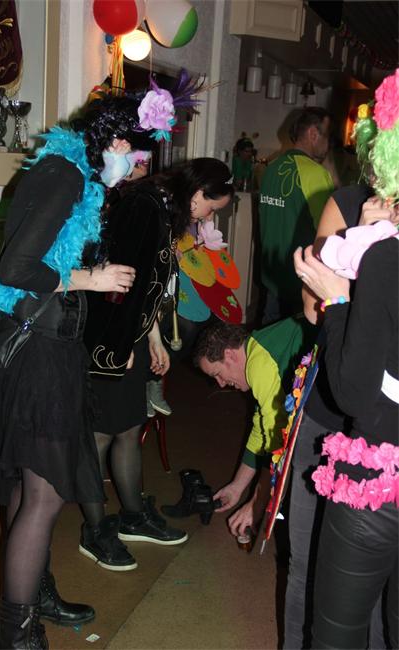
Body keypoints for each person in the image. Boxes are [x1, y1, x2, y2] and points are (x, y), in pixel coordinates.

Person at [0, 91, 160, 648]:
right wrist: (90, 279)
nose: (137, 166)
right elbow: (17, 266)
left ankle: (33, 593)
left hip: (45, 349)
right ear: (115, 140)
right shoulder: (66, 175)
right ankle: (17, 635)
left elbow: (45, 253)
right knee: (45, 494)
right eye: (136, 154)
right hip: (39, 357)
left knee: (31, 490)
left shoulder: (70, 171)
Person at [79, 156, 234, 570]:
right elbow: (118, 280)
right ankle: (95, 530)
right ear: (198, 192)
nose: (207, 217)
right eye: (211, 207)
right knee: (100, 435)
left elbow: (150, 283)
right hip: (110, 335)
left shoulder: (163, 208)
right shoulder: (144, 205)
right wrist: (121, 340)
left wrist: (151, 337)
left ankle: (133, 516)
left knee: (130, 426)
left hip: (130, 334)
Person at [293, 69, 399, 649]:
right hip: (344, 416)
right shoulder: (351, 206)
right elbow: (311, 306)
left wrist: (347, 290)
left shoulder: (384, 247)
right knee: (315, 574)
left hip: (374, 431)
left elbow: (328, 307)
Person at [193, 318, 316, 539]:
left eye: (217, 373)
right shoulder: (258, 348)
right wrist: (236, 487)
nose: (220, 383)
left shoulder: (259, 363)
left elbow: (277, 441)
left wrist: (256, 504)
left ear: (230, 354)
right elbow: (261, 430)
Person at [258, 107, 334, 324]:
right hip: (301, 279)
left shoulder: (271, 168)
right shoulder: (316, 173)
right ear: (313, 134)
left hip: (272, 271)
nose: (329, 144)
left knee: (269, 332)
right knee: (297, 337)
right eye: (328, 137)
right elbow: (328, 233)